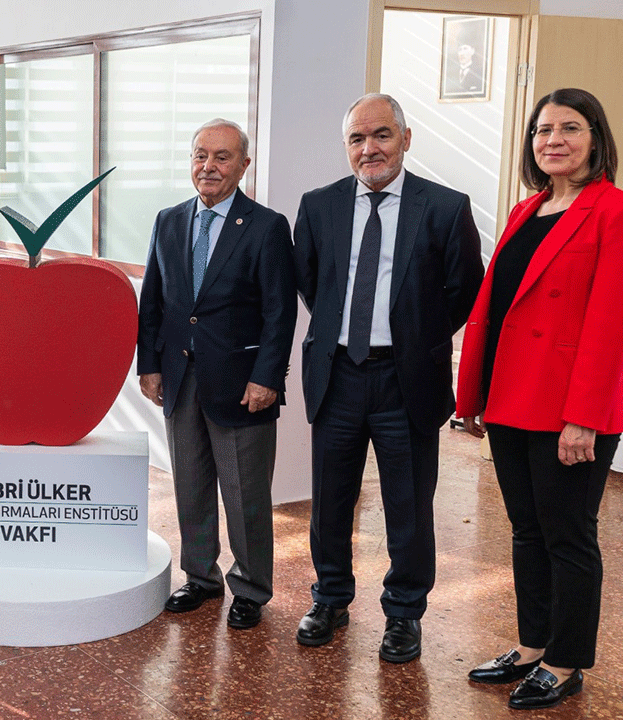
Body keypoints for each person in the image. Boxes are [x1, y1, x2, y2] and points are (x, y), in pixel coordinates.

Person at [456, 88, 623, 710]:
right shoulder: (526, 211)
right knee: (525, 532)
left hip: (570, 409)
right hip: (514, 400)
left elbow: (611, 326)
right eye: (543, 130)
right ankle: (532, 644)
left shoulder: (621, 214)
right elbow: (499, 313)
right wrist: (476, 395)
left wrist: (584, 419)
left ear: (596, 138)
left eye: (570, 128)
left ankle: (566, 660)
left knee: (568, 535)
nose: (554, 140)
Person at [291, 93, 483, 662]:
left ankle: (403, 613)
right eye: (357, 138)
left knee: (408, 504)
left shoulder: (446, 207)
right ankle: (329, 597)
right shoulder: (318, 205)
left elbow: (462, 291)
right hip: (339, 377)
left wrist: (415, 340)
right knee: (329, 500)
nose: (369, 148)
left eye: (380, 135)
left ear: (405, 137)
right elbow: (312, 284)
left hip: (408, 382)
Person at [136, 118, 296, 629]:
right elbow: (153, 301)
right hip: (180, 381)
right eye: (200, 155)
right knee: (191, 485)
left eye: (222, 157)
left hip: (242, 383)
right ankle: (201, 577)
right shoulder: (168, 219)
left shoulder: (268, 226)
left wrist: (267, 376)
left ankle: (250, 587)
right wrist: (150, 365)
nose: (208, 166)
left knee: (246, 494)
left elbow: (280, 311)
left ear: (244, 165)